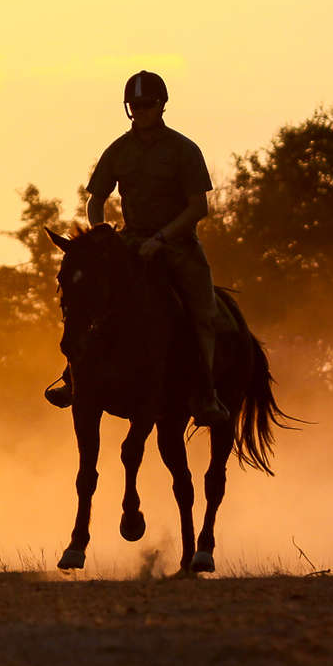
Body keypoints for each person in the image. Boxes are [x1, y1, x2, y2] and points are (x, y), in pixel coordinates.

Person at [45, 71, 231, 426]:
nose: (141, 110)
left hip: (178, 245)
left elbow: (197, 207)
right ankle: (72, 379)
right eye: (135, 106)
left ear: (162, 106)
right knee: (90, 300)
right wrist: (100, 234)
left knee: (203, 312)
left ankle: (205, 394)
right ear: (128, 109)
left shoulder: (184, 150)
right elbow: (96, 198)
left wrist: (161, 239)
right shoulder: (118, 150)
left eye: (147, 105)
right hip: (129, 242)